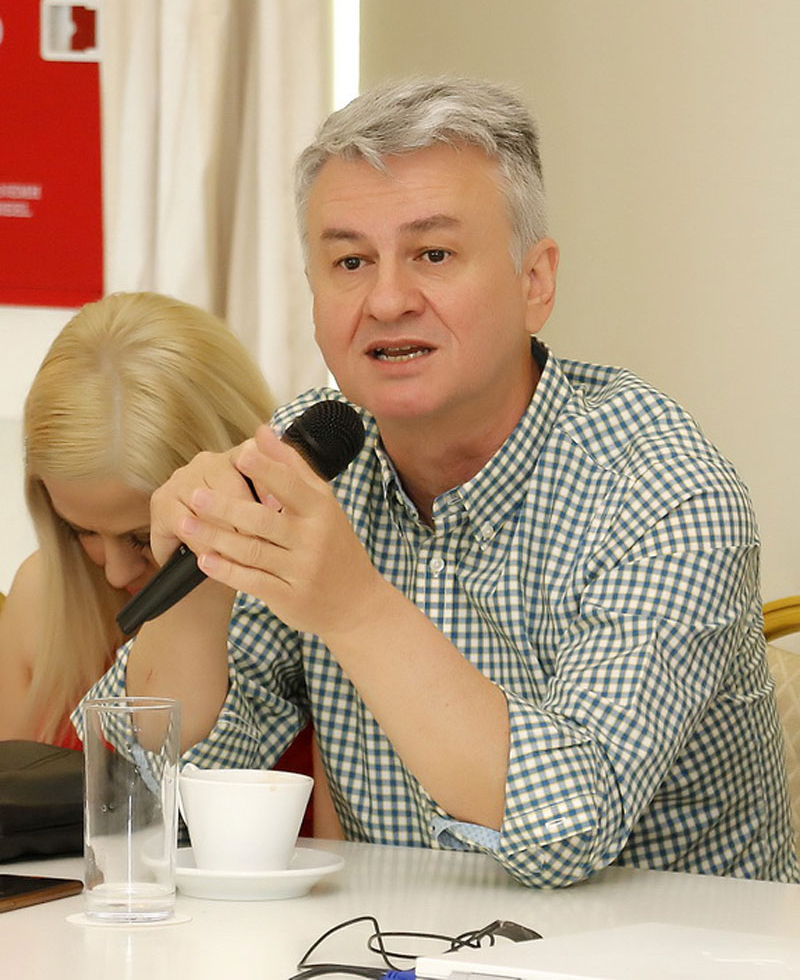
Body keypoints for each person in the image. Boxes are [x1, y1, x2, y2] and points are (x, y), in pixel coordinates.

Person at [81, 78, 798, 885]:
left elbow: (569, 824)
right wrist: (203, 585)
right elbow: (163, 790)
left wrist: (354, 606)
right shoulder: (313, 453)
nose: (388, 299)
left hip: (676, 945)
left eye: (433, 254)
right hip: (400, 941)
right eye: (350, 261)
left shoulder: (665, 490)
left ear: (535, 281)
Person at [0, 291, 313, 815]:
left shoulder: (308, 603)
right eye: (81, 531)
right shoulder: (43, 593)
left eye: (143, 537)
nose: (116, 571)